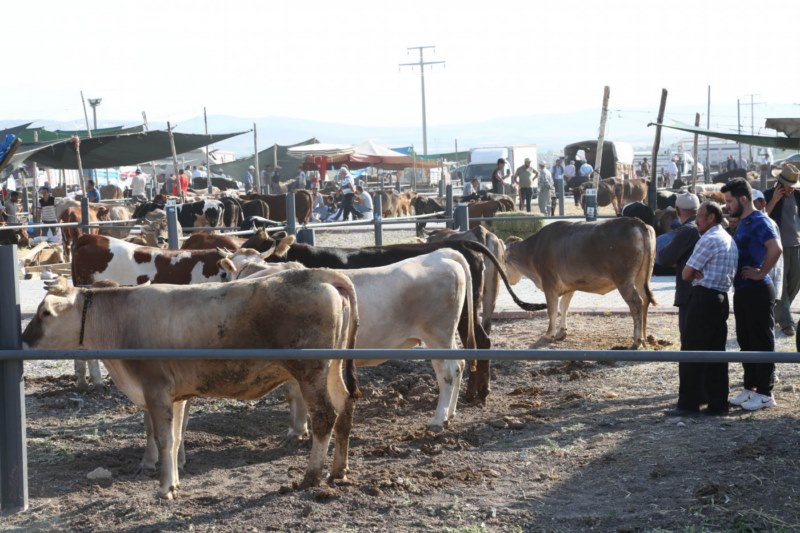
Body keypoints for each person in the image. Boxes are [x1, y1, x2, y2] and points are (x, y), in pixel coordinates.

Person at [667, 201, 738, 416]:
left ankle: (688, 404)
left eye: (700, 216)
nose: (696, 220)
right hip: (721, 299)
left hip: (703, 298)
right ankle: (718, 404)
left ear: (711, 218)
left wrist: (695, 271)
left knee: (691, 351)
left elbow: (686, 274)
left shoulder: (708, 240)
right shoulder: (728, 238)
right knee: (717, 354)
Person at [722, 177, 782, 411]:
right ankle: (751, 388)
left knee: (761, 340)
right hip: (743, 290)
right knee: (746, 341)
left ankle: (766, 393)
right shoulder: (744, 221)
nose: (727, 206)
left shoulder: (759, 220)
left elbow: (775, 248)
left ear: (743, 199)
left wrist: (761, 272)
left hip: (758, 289)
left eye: (729, 201)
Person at [657, 192, 701, 345]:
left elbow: (664, 259)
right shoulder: (710, 226)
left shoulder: (687, 230)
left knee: (689, 339)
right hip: (709, 291)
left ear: (677, 210)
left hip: (689, 291)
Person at [763, 164, 800, 336]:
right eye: (788, 185)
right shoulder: (769, 195)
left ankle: (780, 311)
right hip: (777, 246)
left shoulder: (798, 196)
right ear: (780, 182)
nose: (791, 189)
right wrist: (774, 201)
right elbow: (762, 217)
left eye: (793, 185)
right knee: (782, 285)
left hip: (796, 244)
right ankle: (786, 322)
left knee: (795, 282)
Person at [752, 188, 783, 300]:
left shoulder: (766, 224)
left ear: (762, 203)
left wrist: (761, 273)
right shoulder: (747, 222)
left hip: (764, 280)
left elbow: (776, 252)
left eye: (753, 203)